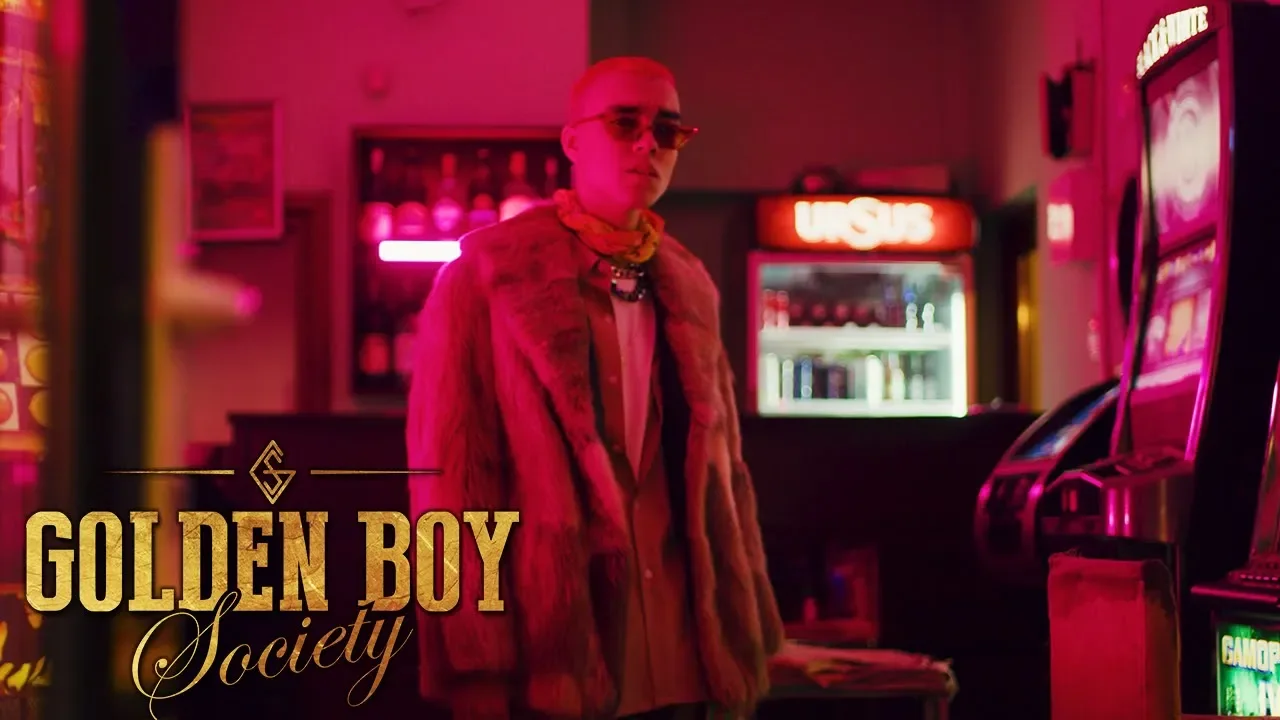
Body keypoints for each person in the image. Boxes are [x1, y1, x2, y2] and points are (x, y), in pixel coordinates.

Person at [407, 56, 783, 720]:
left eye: (666, 129)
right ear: (573, 141)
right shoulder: (487, 278)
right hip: (556, 668)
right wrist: (476, 667)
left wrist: (747, 632)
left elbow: (726, 483)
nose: (647, 144)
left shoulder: (689, 284)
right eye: (624, 123)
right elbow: (452, 489)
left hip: (687, 663)